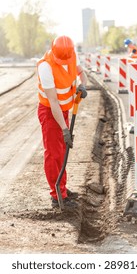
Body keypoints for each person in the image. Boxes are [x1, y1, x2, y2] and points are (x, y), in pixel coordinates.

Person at [37, 35, 88, 208]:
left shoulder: (72, 55)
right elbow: (53, 101)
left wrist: (83, 85)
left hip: (64, 111)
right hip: (51, 113)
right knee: (54, 154)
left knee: (62, 150)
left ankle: (62, 188)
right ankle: (56, 195)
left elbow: (81, 74)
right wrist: (65, 130)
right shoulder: (45, 66)